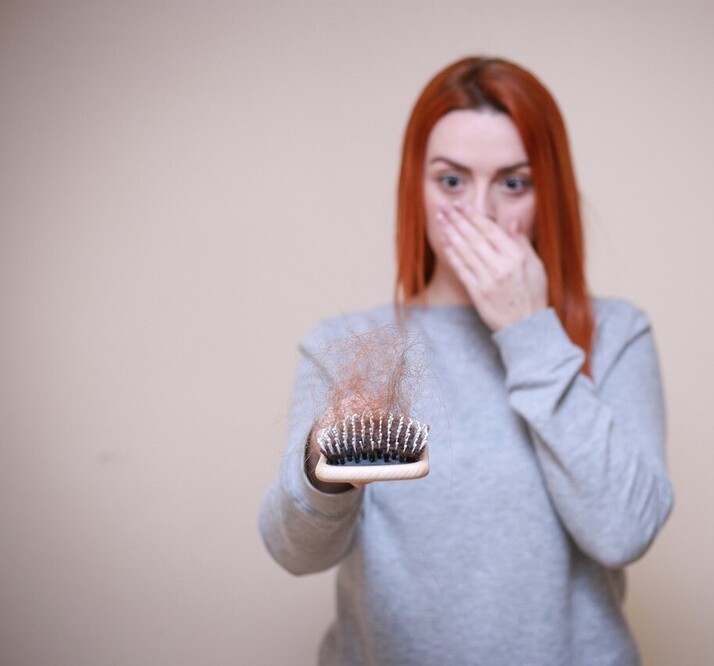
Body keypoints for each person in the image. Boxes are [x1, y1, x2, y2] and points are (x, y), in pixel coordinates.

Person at [259, 56, 674, 665]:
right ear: (416, 188)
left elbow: (623, 532)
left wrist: (530, 331)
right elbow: (294, 552)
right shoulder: (352, 345)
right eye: (452, 181)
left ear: (546, 192)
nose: (480, 214)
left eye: (513, 183)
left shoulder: (615, 334)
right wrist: (327, 466)